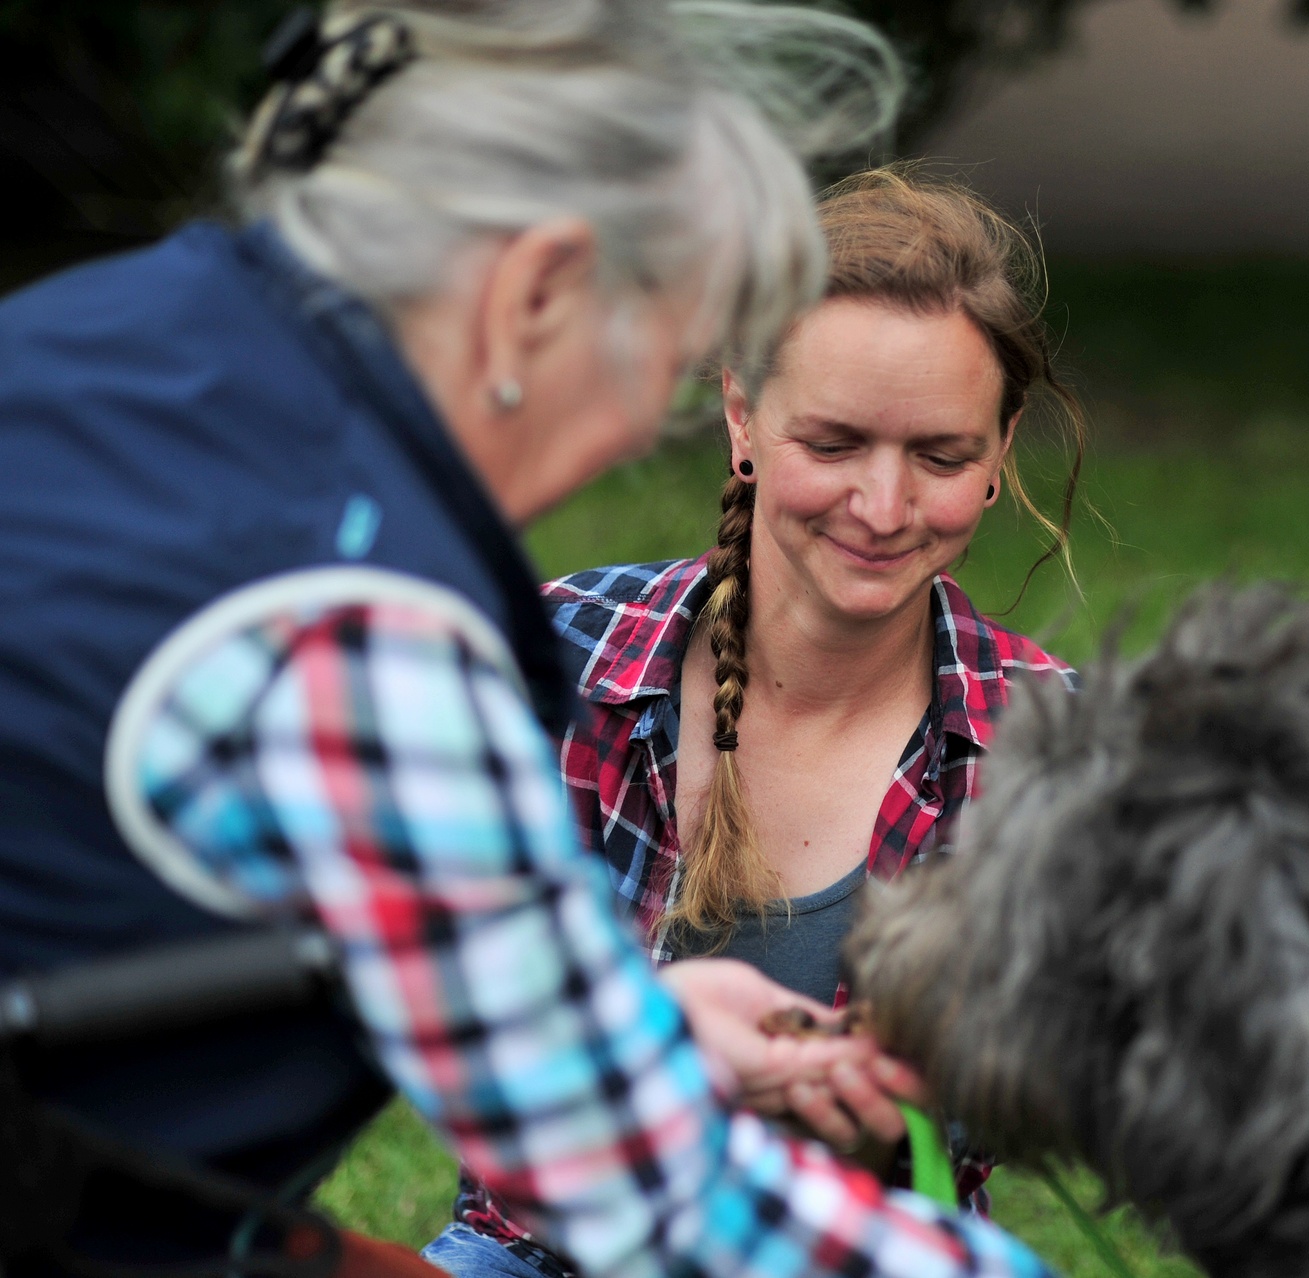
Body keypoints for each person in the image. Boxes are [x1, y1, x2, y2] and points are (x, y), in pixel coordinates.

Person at [0, 4, 1049, 1278]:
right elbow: (650, 1190)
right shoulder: (365, 624)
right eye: (660, 362)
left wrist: (640, 1029)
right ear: (536, 291)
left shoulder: (96, 335)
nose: (637, 433)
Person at [434, 167, 1088, 1278]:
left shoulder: (1053, 746)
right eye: (832, 445)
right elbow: (438, 1004)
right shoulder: (561, 657)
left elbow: (1057, 1094)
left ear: (1000, 450)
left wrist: (899, 1114)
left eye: (941, 456)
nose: (883, 508)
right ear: (742, 414)